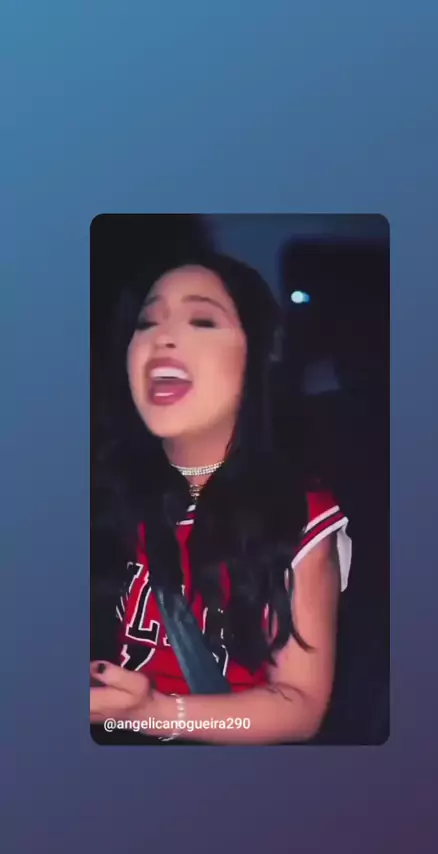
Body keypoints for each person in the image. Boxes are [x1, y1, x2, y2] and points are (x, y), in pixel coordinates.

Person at [90, 251, 352, 744]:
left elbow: (300, 705)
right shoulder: (97, 490)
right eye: (147, 322)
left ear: (257, 358)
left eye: (203, 321)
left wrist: (157, 714)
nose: (163, 337)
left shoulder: (297, 513)